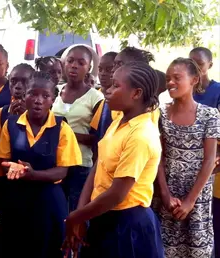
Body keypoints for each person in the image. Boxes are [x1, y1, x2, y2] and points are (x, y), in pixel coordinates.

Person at [63, 62, 164, 258]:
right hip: (103, 216)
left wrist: (75, 218)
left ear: (136, 93)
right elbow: (98, 166)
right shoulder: (119, 122)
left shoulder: (141, 135)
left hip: (127, 225)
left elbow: (117, 194)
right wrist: (82, 213)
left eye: (116, 86)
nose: (107, 91)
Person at [0, 71, 82, 258]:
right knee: (16, 247)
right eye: (32, 94)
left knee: (47, 248)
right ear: (24, 95)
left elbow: (62, 171)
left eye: (45, 96)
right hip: (17, 200)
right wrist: (12, 168)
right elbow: (2, 161)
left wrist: (32, 174)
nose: (38, 100)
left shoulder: (62, 128)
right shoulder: (10, 125)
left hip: (48, 201)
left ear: (53, 99)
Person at [153, 58, 220, 257]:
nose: (171, 82)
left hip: (197, 194)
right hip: (168, 193)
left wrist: (191, 201)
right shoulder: (161, 113)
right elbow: (159, 156)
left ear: (194, 80)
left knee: (197, 249)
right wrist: (165, 195)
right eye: (168, 79)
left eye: (177, 78)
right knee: (166, 249)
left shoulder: (210, 115)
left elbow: (209, 161)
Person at [52, 45, 104, 213]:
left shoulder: (95, 98)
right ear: (64, 64)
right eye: (70, 61)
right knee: (56, 210)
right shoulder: (54, 92)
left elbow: (98, 138)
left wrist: (66, 135)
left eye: (81, 63)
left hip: (80, 163)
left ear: (89, 68)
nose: (74, 66)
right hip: (55, 162)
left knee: (76, 212)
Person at [189, 47, 220, 258]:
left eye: (199, 65)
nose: (196, 70)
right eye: (191, 65)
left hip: (211, 164)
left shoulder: (217, 92)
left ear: (209, 65)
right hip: (185, 163)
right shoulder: (185, 89)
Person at [0, 63, 35, 140]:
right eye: (13, 81)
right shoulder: (0, 113)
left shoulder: (40, 114)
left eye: (25, 81)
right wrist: (10, 121)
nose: (18, 86)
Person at [89, 52, 117, 141]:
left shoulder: (120, 101)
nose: (103, 74)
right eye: (100, 69)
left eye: (109, 70)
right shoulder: (95, 95)